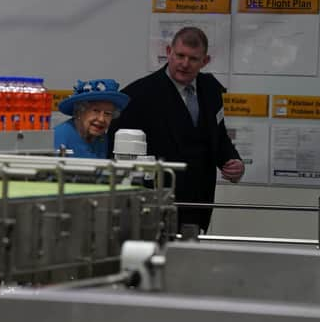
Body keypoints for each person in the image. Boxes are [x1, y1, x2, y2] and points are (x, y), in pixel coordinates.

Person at [110, 26, 244, 233]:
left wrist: (233, 161)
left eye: (193, 59)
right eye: (180, 55)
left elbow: (217, 135)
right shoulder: (138, 95)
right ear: (168, 51)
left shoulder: (211, 90)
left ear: (205, 61)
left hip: (200, 201)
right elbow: (118, 153)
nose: (184, 64)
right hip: (157, 203)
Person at [54, 78, 129, 159]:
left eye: (107, 113)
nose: (101, 119)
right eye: (96, 111)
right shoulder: (59, 136)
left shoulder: (101, 138)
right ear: (80, 111)